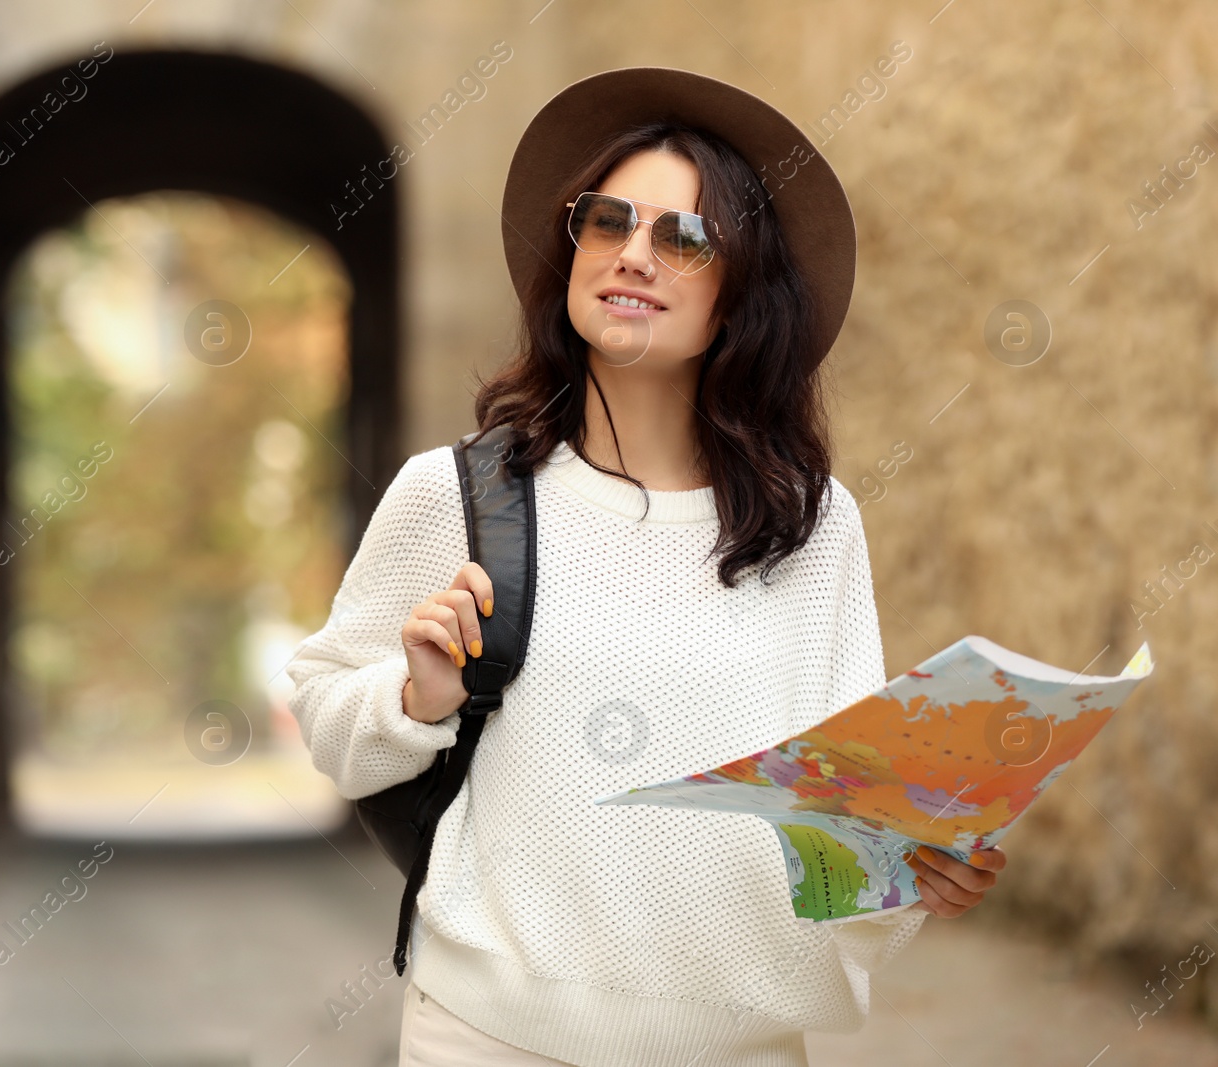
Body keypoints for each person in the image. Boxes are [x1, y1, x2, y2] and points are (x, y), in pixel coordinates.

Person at [286, 67, 1005, 1067]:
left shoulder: (812, 524)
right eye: (608, 221)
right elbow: (329, 719)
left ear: (741, 292)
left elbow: (839, 823)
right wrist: (414, 694)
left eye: (684, 236)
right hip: (489, 1035)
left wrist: (917, 867)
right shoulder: (456, 494)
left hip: (740, 1044)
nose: (634, 254)